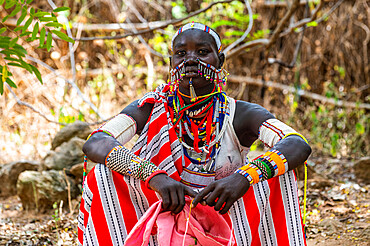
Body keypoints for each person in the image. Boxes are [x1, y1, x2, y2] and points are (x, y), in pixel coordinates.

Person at [78, 22, 311, 245]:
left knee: (279, 173)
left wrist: (244, 177)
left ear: (219, 61)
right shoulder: (150, 107)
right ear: (171, 63)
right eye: (181, 53)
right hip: (162, 210)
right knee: (102, 174)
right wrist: (154, 177)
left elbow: (297, 144)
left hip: (225, 213)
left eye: (202, 51)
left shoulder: (240, 114)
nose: (190, 59)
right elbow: (96, 141)